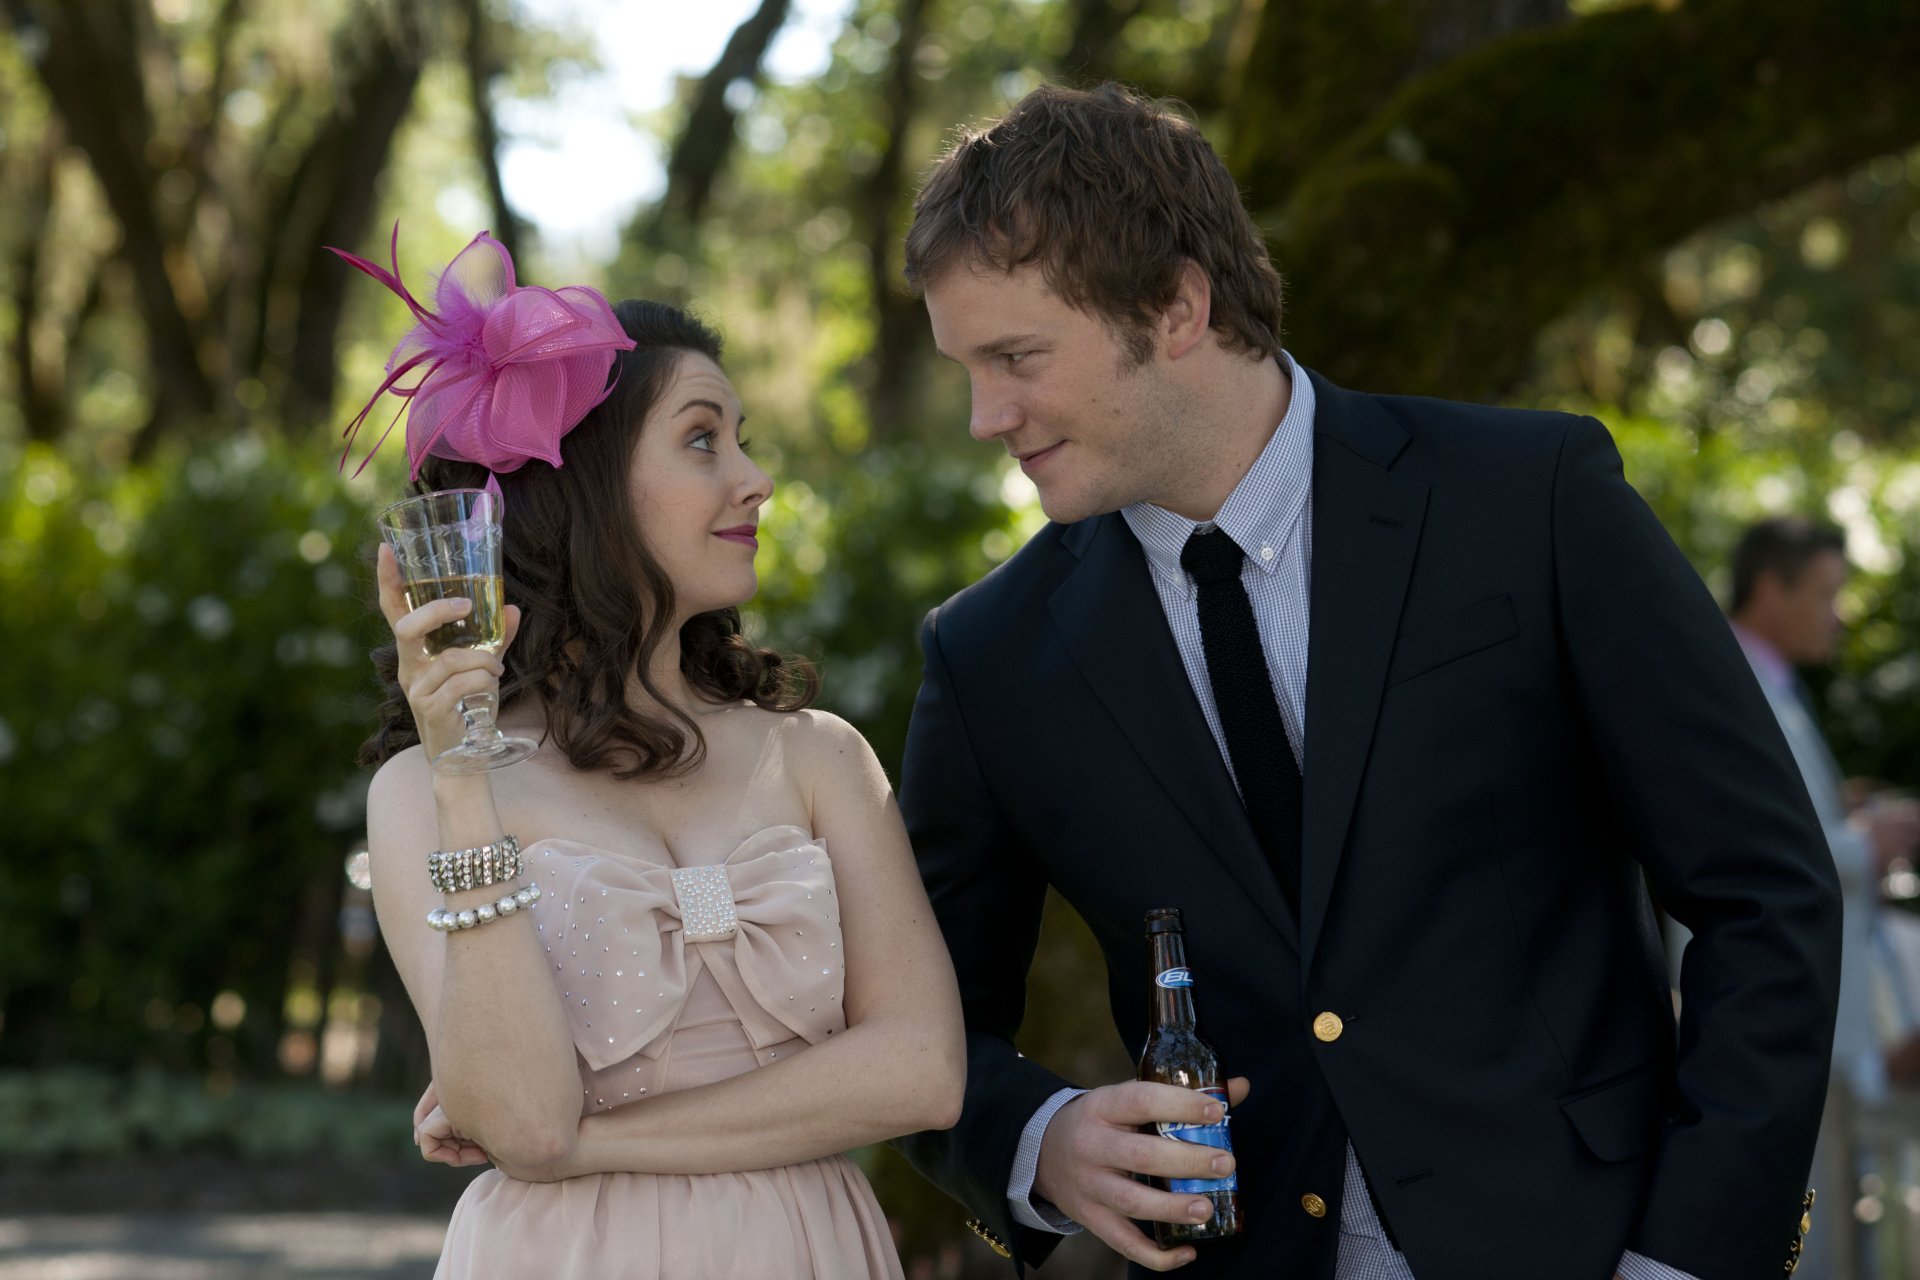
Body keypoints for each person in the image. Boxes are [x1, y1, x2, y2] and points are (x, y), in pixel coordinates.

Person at [889, 83, 1840, 1280]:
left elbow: (1765, 893)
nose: (987, 415)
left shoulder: (1531, 499)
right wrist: (1040, 1140)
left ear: (1176, 306)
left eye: (1016, 357)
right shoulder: (988, 655)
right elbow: (919, 1026)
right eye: (967, 368)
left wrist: (1691, 1254)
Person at [346, 230, 964, 1279]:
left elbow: (922, 1071)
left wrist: (594, 1144)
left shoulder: (821, 758)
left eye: (741, 439)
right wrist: (463, 777)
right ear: (587, 483)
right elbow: (524, 1120)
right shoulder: (422, 795)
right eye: (703, 439)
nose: (756, 480)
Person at [1719, 516, 1920, 1278]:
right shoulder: (1738, 679)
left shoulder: (1771, 680)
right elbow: (1744, 841)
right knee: (1808, 1241)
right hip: (1779, 1002)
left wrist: (1850, 817)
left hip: (1800, 1003)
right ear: (1772, 588)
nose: (1838, 615)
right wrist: (1867, 842)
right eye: (1828, 594)